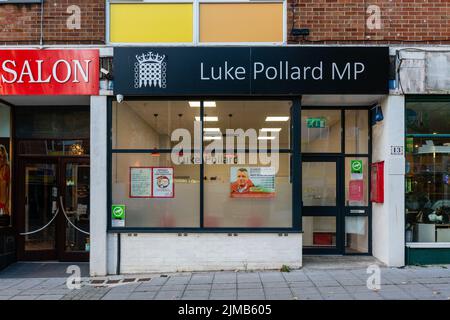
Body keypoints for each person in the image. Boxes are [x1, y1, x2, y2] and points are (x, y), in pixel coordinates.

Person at [0, 145, 10, 215]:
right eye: (0, 157)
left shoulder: (7, 168)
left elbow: (9, 186)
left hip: (3, 200)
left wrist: (8, 202)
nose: (2, 159)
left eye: (4, 157)